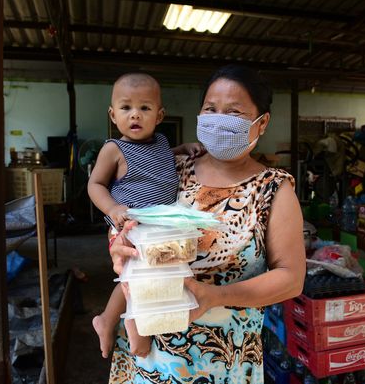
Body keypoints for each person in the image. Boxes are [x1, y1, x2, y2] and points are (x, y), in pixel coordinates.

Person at [107, 65, 306, 383]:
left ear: (262, 122)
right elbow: (127, 214)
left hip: (222, 363)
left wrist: (216, 295)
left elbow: (291, 279)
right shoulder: (171, 167)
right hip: (147, 358)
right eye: (210, 109)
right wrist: (118, 244)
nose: (218, 119)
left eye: (234, 112)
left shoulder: (273, 188)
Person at [88, 72, 203, 359]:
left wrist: (183, 149)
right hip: (130, 227)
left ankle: (109, 318)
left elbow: (161, 159)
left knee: (155, 277)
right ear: (113, 115)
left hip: (159, 228)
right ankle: (132, 329)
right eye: (126, 108)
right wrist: (113, 209)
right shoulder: (113, 150)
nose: (135, 115)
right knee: (136, 278)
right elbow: (95, 184)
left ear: (160, 115)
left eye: (145, 108)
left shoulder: (162, 143)